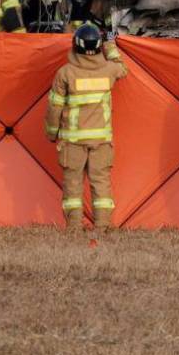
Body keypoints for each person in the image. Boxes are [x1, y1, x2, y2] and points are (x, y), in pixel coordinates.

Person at [44, 23, 127, 231]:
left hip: (73, 142)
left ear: (75, 46)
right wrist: (110, 44)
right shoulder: (109, 70)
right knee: (101, 182)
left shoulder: (64, 73)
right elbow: (122, 68)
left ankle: (73, 228)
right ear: (98, 46)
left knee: (73, 185)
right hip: (101, 141)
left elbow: (54, 108)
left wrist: (52, 134)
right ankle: (103, 226)